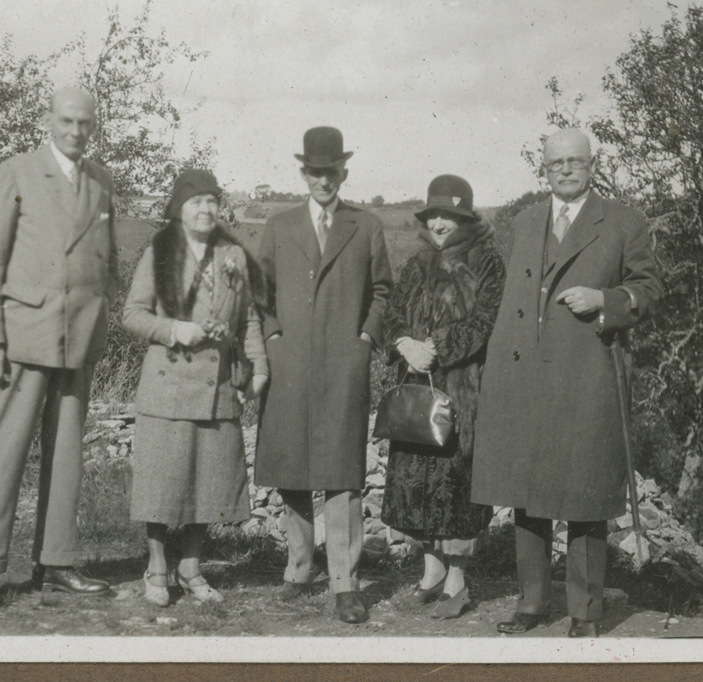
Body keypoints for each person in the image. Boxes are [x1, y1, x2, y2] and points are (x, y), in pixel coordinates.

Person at [471, 129, 662, 637]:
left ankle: (584, 612)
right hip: (524, 379)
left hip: (586, 378)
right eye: (556, 163)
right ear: (544, 167)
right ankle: (533, 604)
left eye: (575, 161)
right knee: (526, 495)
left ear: (591, 164)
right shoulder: (526, 220)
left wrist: (604, 300)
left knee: (583, 496)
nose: (565, 170)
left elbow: (651, 289)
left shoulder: (623, 221)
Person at [0, 85, 118, 602]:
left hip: (78, 338)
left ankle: (56, 563)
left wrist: (100, 313)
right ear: (49, 119)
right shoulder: (17, 171)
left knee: (67, 455)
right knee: (4, 452)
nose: (76, 132)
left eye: (86, 124)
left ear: (95, 126)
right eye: (67, 121)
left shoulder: (102, 181)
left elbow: (107, 260)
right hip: (22, 336)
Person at [254, 126, 392, 625]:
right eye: (315, 171)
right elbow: (260, 290)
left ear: (343, 173)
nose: (323, 179)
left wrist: (364, 342)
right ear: (303, 173)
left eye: (331, 171)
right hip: (289, 365)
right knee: (291, 466)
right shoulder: (279, 224)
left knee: (341, 473)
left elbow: (383, 291)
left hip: (343, 365)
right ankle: (298, 568)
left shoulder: (366, 225)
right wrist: (272, 339)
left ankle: (344, 582)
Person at [122, 169, 269, 607]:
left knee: (212, 481)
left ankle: (191, 567)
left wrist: (258, 365)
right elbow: (131, 314)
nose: (205, 210)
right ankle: (156, 568)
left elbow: (250, 319)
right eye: (195, 202)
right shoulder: (160, 252)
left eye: (211, 201)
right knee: (160, 485)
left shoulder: (233, 255)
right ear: (178, 210)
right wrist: (174, 330)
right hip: (167, 385)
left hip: (217, 385)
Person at [380, 174, 506, 620]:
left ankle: (458, 579)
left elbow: (487, 320)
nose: (438, 223)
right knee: (417, 480)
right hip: (417, 390)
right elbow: (393, 313)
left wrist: (437, 348)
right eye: (433, 214)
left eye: (448, 216)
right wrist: (403, 344)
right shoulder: (416, 264)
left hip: (462, 390)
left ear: (465, 218)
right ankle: (431, 572)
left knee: (455, 483)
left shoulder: (487, 261)